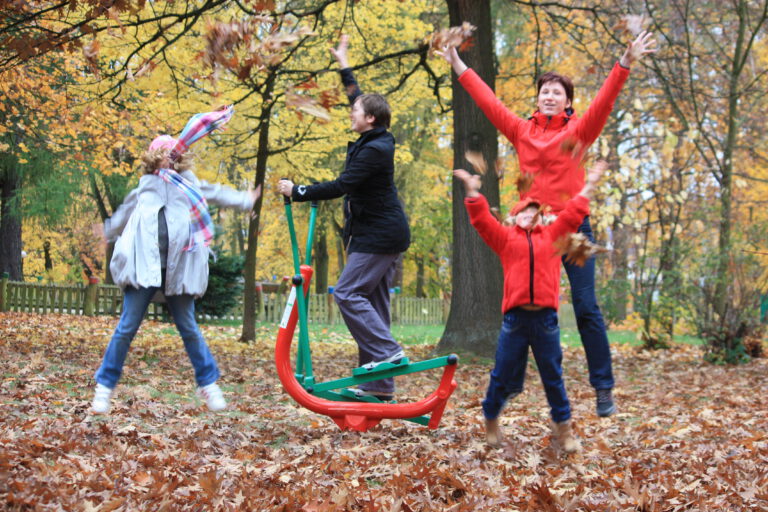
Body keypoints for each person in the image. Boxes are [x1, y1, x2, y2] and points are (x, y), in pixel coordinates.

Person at [439, 31, 657, 417]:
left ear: (568, 102)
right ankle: (511, 384)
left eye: (558, 92)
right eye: (545, 91)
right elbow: (488, 103)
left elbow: (605, 102)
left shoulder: (578, 133)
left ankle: (603, 388)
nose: (550, 96)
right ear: (538, 98)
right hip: (531, 234)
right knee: (524, 308)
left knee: (587, 307)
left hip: (572, 230)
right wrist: (457, 62)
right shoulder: (522, 132)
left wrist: (625, 61)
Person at [91, 118, 260, 414]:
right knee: (126, 328)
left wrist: (244, 199)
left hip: (179, 271)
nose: (170, 161)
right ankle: (104, 388)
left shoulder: (189, 184)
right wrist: (107, 231)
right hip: (145, 271)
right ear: (155, 160)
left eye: (174, 155)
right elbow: (123, 212)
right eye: (164, 155)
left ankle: (208, 385)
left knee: (189, 328)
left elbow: (215, 191)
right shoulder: (146, 186)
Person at [277, 35, 410, 401]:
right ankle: (380, 387)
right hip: (378, 233)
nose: (351, 112)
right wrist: (344, 63)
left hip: (379, 236)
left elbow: (342, 185)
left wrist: (298, 191)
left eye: (356, 111)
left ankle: (387, 353)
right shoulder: (374, 135)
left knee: (349, 293)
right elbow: (357, 96)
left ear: (370, 119)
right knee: (374, 303)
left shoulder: (377, 150)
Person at [454, 160, 607, 452]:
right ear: (514, 218)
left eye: (534, 212)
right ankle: (491, 419)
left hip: (546, 321)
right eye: (524, 212)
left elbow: (574, 212)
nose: (529, 215)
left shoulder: (552, 237)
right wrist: (473, 192)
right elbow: (482, 221)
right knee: (501, 375)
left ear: (539, 217)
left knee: (553, 377)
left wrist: (592, 183)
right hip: (515, 322)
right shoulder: (504, 238)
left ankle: (564, 431)